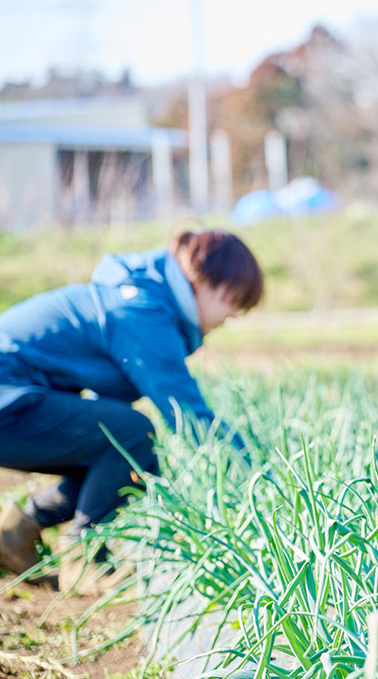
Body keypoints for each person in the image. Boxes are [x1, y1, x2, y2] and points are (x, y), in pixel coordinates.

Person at [0, 229, 263, 584]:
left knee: (125, 450)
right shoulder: (141, 311)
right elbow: (186, 413)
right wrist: (261, 476)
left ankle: (15, 533)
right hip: (9, 397)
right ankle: (85, 561)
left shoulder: (140, 298)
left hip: (15, 400)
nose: (232, 316)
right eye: (233, 300)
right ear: (202, 281)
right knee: (134, 435)